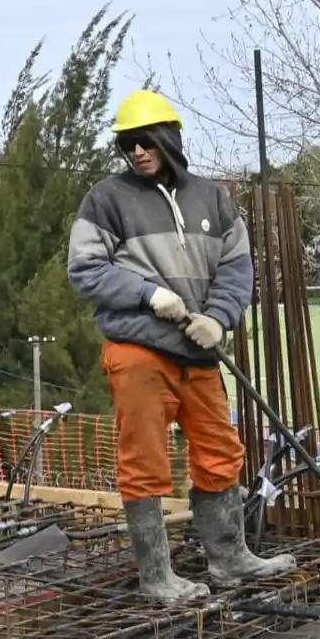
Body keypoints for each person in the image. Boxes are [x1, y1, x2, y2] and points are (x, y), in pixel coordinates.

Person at [66, 89, 297, 605]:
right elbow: (85, 270)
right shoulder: (106, 199)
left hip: (198, 352)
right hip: (140, 350)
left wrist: (218, 318)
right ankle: (157, 577)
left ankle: (230, 558)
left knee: (220, 452)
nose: (137, 152)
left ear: (169, 137)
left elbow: (238, 266)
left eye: (145, 142)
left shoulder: (211, 198)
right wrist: (149, 294)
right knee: (145, 460)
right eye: (128, 145)